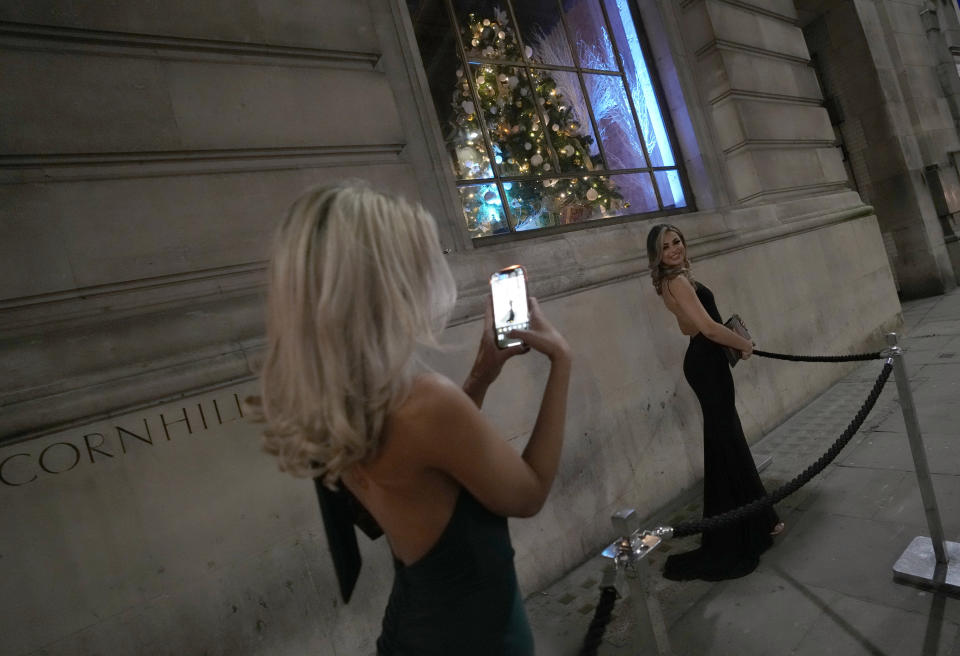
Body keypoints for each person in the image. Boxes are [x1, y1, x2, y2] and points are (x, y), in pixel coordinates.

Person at [255, 181, 572, 655]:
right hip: (474, 636)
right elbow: (528, 494)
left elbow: (426, 463)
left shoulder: (339, 397)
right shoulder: (423, 400)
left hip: (416, 627)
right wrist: (562, 363)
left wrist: (481, 377)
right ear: (386, 282)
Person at [646, 223, 783, 582]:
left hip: (703, 361)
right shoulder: (677, 282)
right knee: (728, 441)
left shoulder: (671, 281)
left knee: (725, 441)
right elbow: (706, 328)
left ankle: (756, 521)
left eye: (677, 241)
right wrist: (742, 343)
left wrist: (727, 339)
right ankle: (751, 526)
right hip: (707, 364)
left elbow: (686, 328)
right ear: (657, 255)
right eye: (666, 246)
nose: (675, 248)